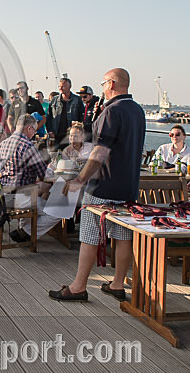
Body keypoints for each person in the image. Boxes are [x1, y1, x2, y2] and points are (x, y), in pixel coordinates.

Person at [50, 68, 145, 302]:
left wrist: (80, 179)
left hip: (103, 186)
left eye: (103, 83)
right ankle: (117, 284)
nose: (102, 87)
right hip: (128, 186)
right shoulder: (138, 110)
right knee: (123, 236)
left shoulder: (112, 111)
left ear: (111, 84)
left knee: (90, 235)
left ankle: (78, 286)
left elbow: (100, 152)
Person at [0, 114, 51, 241]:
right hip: (21, 198)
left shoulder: (3, 144)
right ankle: (27, 231)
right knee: (57, 210)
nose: (35, 133)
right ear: (29, 128)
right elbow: (43, 173)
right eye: (35, 130)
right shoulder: (28, 146)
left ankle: (23, 231)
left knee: (39, 190)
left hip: (4, 197)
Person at [46, 77, 83, 147]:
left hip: (71, 136)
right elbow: (49, 117)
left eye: (63, 86)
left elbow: (81, 117)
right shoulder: (54, 100)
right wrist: (50, 131)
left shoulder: (77, 100)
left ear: (69, 87)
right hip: (56, 135)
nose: (60, 88)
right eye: (59, 86)